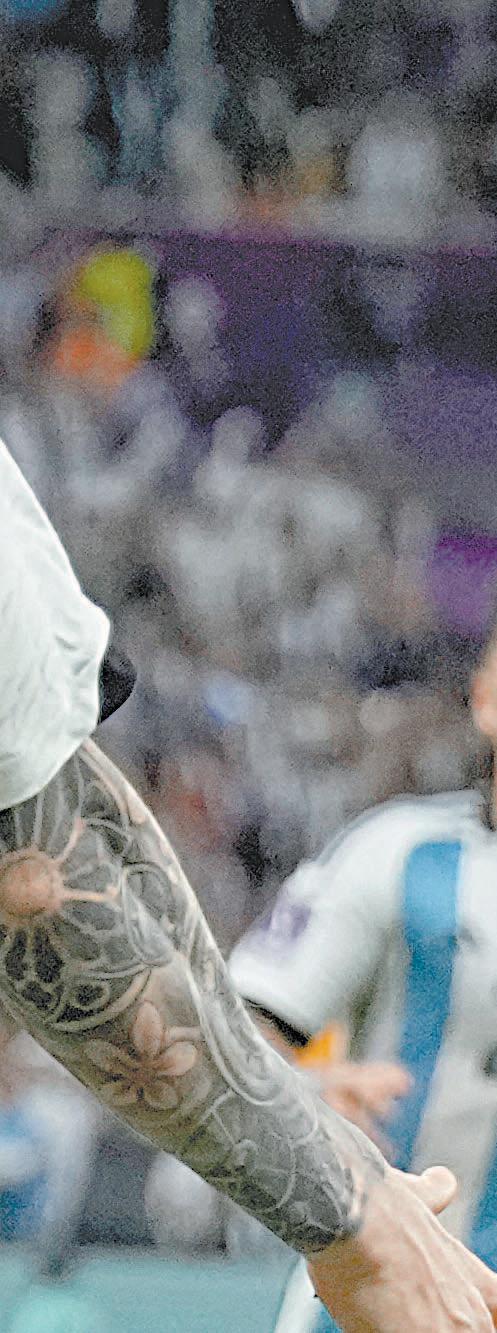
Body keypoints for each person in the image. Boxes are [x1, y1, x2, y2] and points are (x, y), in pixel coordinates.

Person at [0, 438, 497, 1331]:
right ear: (483, 694)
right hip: (398, 1282)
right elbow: (52, 885)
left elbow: (58, 809)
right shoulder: (398, 852)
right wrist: (313, 1125)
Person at [229, 612, 497, 1325]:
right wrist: (305, 1090)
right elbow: (237, 1024)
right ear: (484, 698)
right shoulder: (395, 850)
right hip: (374, 1298)